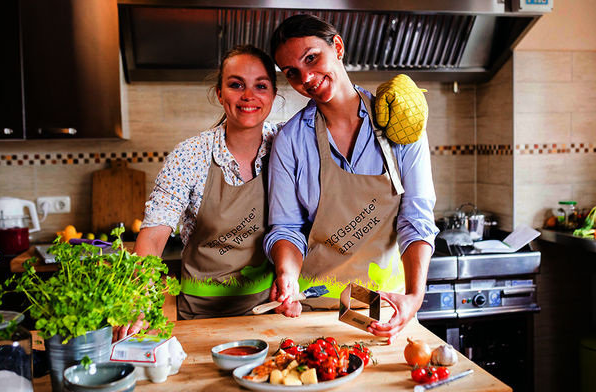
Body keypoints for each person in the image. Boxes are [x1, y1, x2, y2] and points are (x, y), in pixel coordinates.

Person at [264, 14, 438, 342]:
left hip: (385, 306)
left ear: (338, 47)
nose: (307, 77)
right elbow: (286, 227)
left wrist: (414, 296)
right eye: (292, 73)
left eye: (312, 58)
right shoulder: (290, 140)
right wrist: (286, 274)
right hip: (316, 308)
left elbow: (415, 217)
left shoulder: (398, 121)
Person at [114, 45, 280, 341]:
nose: (248, 96)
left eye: (261, 86)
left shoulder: (286, 146)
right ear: (220, 93)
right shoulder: (190, 155)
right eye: (236, 84)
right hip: (201, 315)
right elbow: (153, 235)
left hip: (269, 311)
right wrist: (138, 299)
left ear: (273, 94)